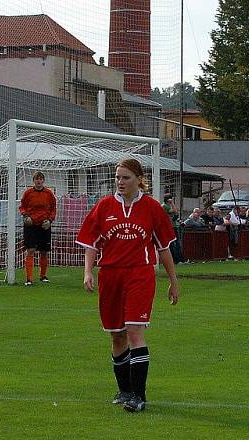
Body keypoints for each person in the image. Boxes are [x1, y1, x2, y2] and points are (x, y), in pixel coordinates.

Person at [76, 158, 179, 413]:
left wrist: (173, 281)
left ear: (139, 179)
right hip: (110, 276)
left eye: (126, 178)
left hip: (140, 275)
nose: (120, 182)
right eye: (118, 177)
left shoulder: (153, 208)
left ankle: (139, 396)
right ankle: (124, 391)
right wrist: (88, 272)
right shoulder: (104, 206)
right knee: (117, 335)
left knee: (134, 332)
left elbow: (164, 248)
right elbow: (91, 243)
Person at [19, 171, 57, 286]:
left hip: (44, 225)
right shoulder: (28, 193)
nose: (39, 181)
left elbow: (53, 209)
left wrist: (50, 220)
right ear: (34, 181)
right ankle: (29, 279)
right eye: (37, 179)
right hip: (31, 225)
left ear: (43, 180)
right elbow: (22, 206)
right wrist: (26, 216)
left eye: (40, 179)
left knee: (44, 251)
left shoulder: (49, 193)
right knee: (30, 250)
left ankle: (43, 276)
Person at [161, 193, 183, 263]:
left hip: (173, 226)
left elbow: (176, 214)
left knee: (177, 243)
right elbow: (175, 211)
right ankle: (176, 260)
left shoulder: (168, 206)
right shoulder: (165, 206)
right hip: (169, 227)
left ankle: (180, 259)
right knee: (172, 244)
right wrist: (172, 203)